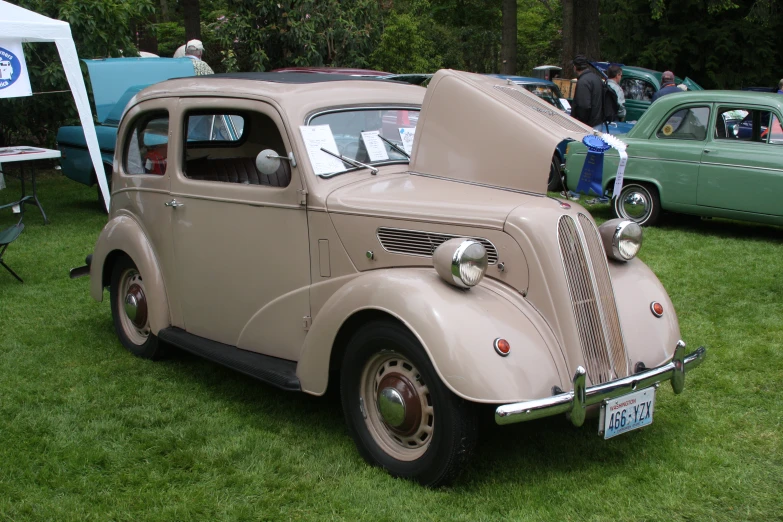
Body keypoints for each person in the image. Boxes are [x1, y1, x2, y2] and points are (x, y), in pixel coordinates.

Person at [571, 55, 604, 128]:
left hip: (588, 125)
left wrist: (581, 122)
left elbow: (584, 106)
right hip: (598, 122)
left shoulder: (583, 82)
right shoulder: (597, 78)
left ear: (575, 67)